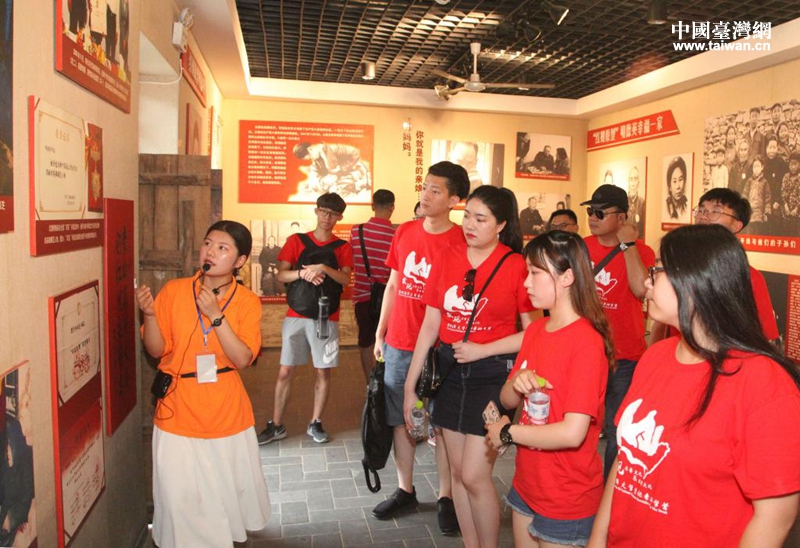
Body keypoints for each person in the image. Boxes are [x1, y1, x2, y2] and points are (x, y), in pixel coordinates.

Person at [588, 224, 800, 547]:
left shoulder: (763, 383)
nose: (646, 282)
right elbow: (625, 459)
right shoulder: (656, 357)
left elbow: (774, 518)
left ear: (695, 281)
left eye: (657, 271)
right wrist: (597, 539)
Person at [404, 186, 535, 548]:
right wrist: (410, 387)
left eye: (481, 219)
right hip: (448, 372)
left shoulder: (515, 265)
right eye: (467, 216)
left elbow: (533, 332)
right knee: (459, 473)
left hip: (492, 375)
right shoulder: (446, 257)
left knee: (476, 475)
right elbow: (430, 326)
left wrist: (483, 350)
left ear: (502, 225)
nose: (470, 225)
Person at [136, 220, 271, 548]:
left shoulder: (247, 301)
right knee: (178, 495)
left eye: (223, 248)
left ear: (240, 261)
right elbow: (156, 350)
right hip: (176, 408)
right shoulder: (174, 291)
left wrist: (215, 316)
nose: (210, 252)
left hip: (225, 411)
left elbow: (242, 358)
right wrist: (150, 316)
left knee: (221, 497)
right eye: (208, 243)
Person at [486, 230, 615, 548]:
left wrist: (508, 433)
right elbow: (506, 399)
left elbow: (572, 433)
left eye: (535, 273)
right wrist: (517, 382)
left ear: (567, 277)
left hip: (566, 497)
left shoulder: (586, 342)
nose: (526, 283)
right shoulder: (536, 331)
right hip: (528, 484)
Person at [371, 162, 470, 534]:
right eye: (424, 187)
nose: (425, 195)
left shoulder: (461, 240)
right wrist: (380, 333)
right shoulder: (405, 231)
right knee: (402, 419)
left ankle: (446, 496)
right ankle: (405, 489)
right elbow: (394, 285)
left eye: (435, 190)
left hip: (442, 347)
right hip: (399, 342)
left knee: (441, 424)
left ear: (454, 200)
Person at [257, 193, 353, 445]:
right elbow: (281, 275)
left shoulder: (342, 247)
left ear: (339, 217)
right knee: (285, 370)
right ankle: (276, 424)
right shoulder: (296, 241)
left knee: (323, 371)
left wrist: (323, 268)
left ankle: (315, 421)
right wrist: (304, 273)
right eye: (324, 211)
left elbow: (345, 279)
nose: (327, 217)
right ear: (316, 211)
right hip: (296, 314)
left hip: (326, 316)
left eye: (333, 214)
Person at [581, 184, 655, 480]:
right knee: (579, 423)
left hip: (624, 355)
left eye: (600, 212)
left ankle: (611, 492)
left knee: (617, 427)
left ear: (622, 218)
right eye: (590, 211)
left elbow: (640, 290)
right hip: (585, 351)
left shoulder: (642, 251)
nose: (593, 217)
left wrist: (628, 246)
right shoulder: (581, 247)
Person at [649, 188, 780, 345]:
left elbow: (765, 336)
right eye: (701, 210)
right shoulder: (679, 268)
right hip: (676, 352)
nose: (704, 216)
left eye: (716, 211)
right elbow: (661, 324)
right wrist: (655, 353)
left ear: (736, 225)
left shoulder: (749, 277)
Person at [349, 189, 396, 381]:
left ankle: (371, 384)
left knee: (366, 342)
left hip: (362, 296)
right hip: (389, 299)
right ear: (392, 207)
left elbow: (353, 261)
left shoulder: (356, 231)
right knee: (388, 341)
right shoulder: (396, 235)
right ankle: (385, 381)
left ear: (372, 206)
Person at [293, 142, 370, 196]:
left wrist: (341, 168)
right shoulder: (316, 161)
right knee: (309, 187)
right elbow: (315, 175)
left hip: (352, 172)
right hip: (336, 179)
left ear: (310, 149)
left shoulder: (333, 148)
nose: (311, 159)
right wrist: (320, 182)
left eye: (310, 157)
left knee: (337, 192)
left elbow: (355, 153)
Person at [764, 133, 788, 232]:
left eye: (774, 147)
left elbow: (783, 184)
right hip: (765, 200)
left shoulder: (781, 163)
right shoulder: (763, 163)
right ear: (766, 148)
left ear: (777, 148)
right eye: (770, 147)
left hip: (777, 200)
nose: (772, 151)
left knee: (776, 219)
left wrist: (778, 200)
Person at [742, 155, 771, 233]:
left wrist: (766, 212)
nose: (756, 169)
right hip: (750, 212)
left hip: (759, 214)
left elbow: (767, 198)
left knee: (758, 233)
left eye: (758, 166)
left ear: (762, 167)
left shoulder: (764, 182)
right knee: (750, 233)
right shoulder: (749, 181)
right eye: (754, 167)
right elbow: (744, 195)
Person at [665, 156, 689, 221]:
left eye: (680, 180)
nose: (678, 186)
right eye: (674, 181)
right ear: (670, 186)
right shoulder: (666, 207)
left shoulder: (686, 205)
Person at [782, 151, 800, 235]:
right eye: (791, 164)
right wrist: (785, 205)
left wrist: (796, 208)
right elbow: (783, 192)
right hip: (786, 211)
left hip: (797, 212)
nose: (793, 167)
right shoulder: (786, 177)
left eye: (795, 164)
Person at [626, 166, 645, 236]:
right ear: (628, 181)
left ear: (638, 182)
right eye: (631, 179)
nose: (633, 182)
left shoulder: (642, 202)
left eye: (635, 179)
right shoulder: (623, 201)